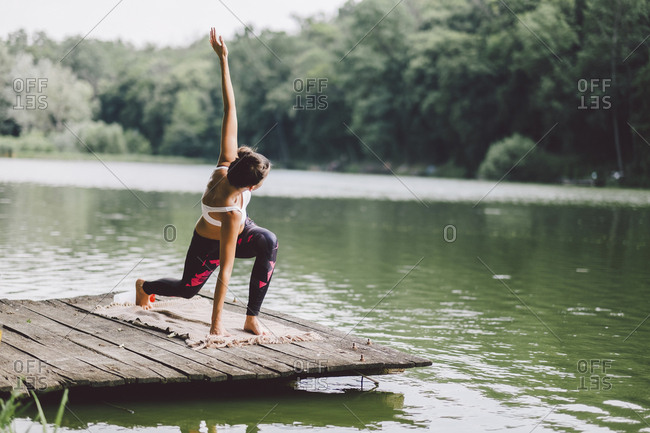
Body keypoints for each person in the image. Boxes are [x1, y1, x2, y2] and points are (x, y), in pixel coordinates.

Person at [135, 28, 278, 336]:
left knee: (268, 240)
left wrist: (223, 59)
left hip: (242, 230)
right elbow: (224, 272)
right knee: (188, 290)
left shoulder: (227, 163)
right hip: (209, 242)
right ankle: (144, 286)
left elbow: (230, 109)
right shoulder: (230, 213)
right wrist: (216, 326)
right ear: (250, 188)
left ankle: (251, 318)